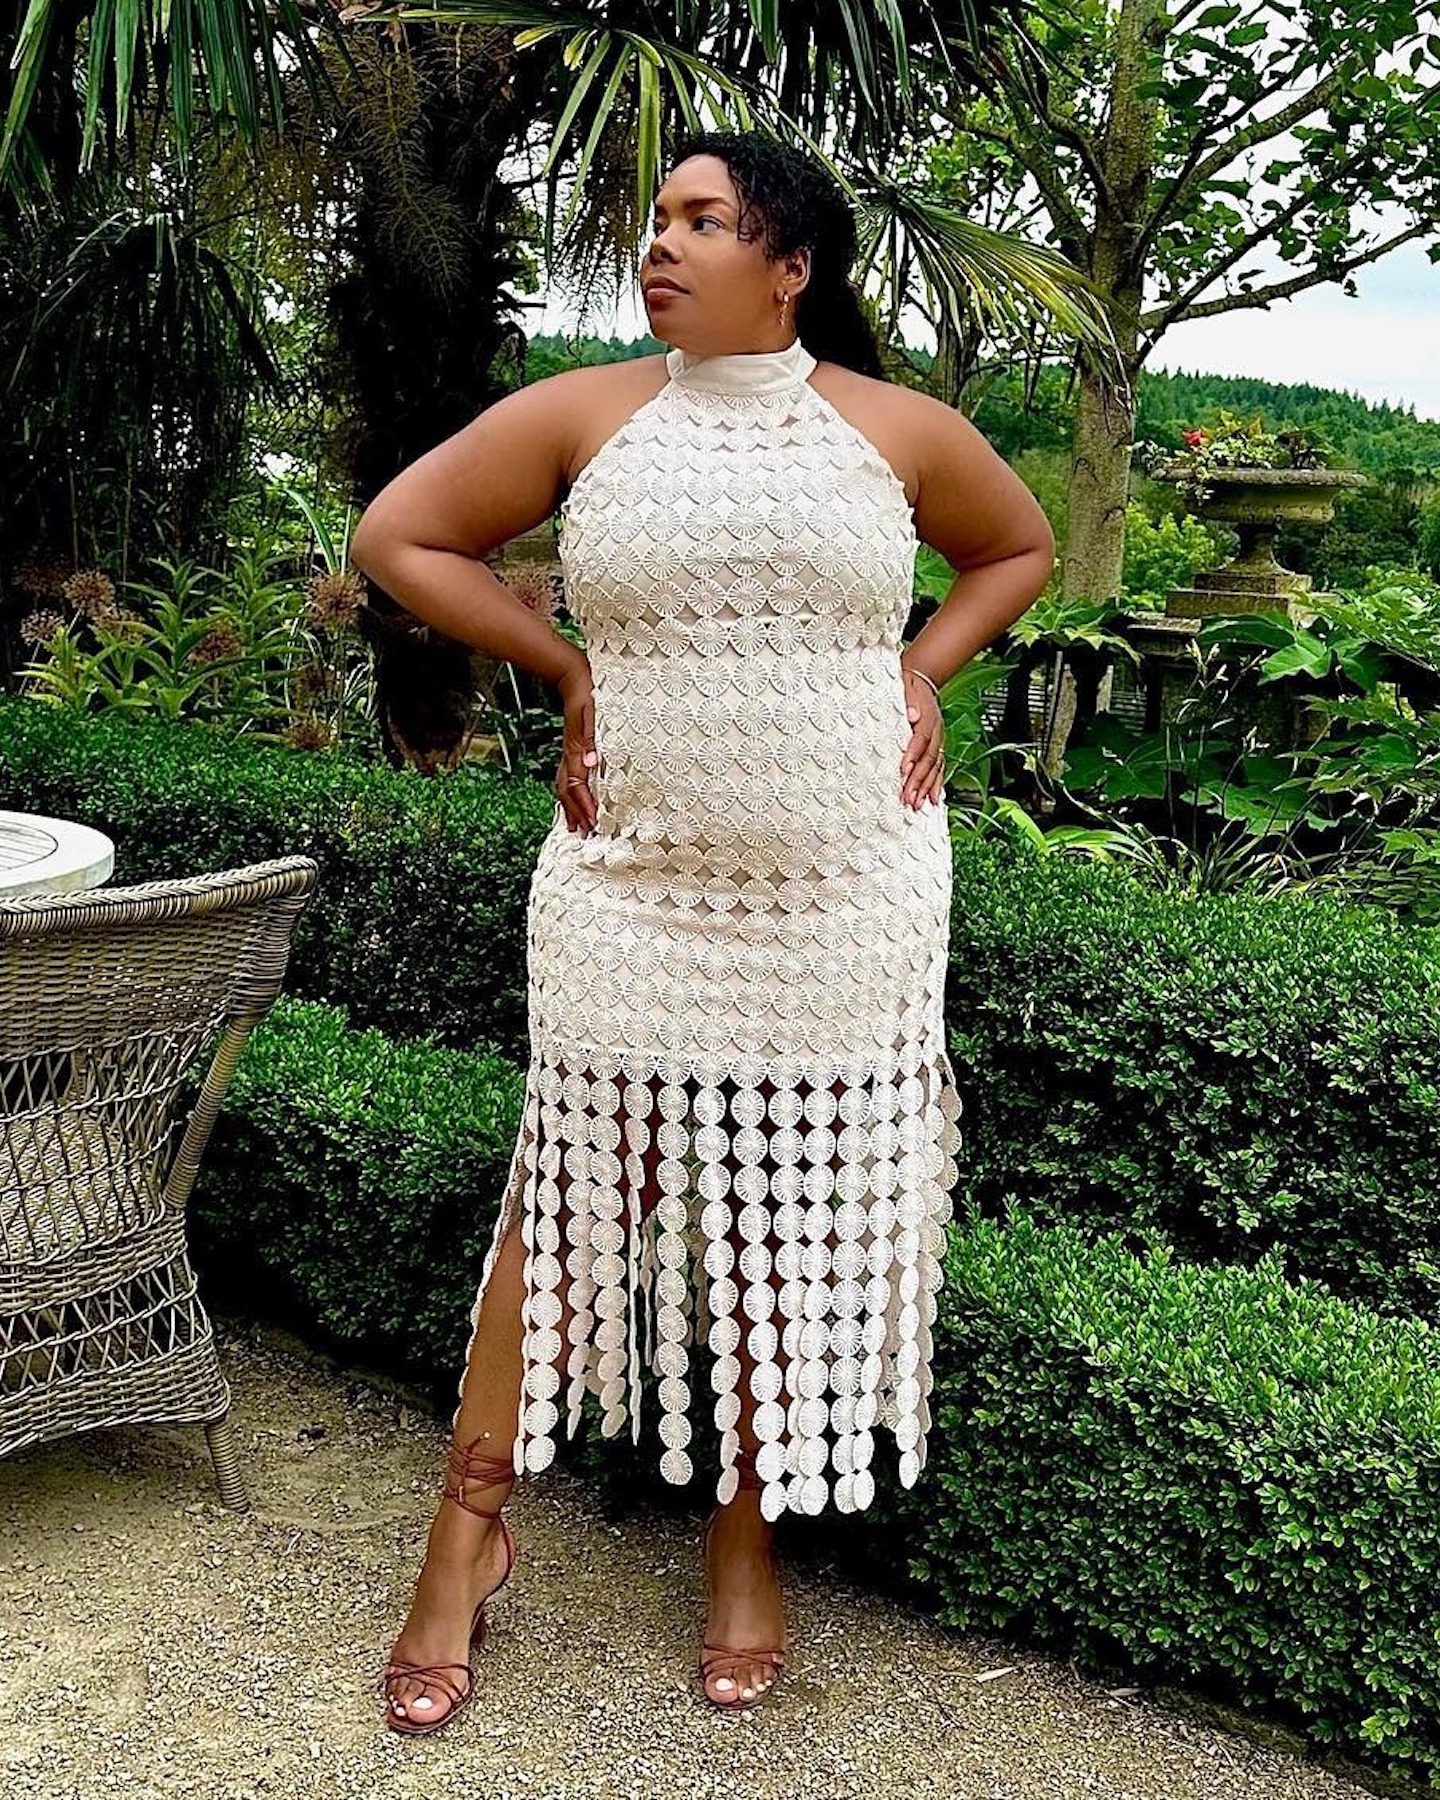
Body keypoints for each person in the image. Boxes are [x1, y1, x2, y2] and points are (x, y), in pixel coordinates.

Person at [350, 126, 1055, 1733]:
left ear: (789, 266)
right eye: (657, 216)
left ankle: (746, 1546)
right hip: (631, 886)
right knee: (567, 1208)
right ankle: (462, 1546)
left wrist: (922, 666)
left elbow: (1018, 547)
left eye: (704, 219)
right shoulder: (588, 414)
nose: (660, 243)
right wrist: (564, 665)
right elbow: (400, 535)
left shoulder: (895, 428)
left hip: (848, 892)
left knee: (785, 1218)